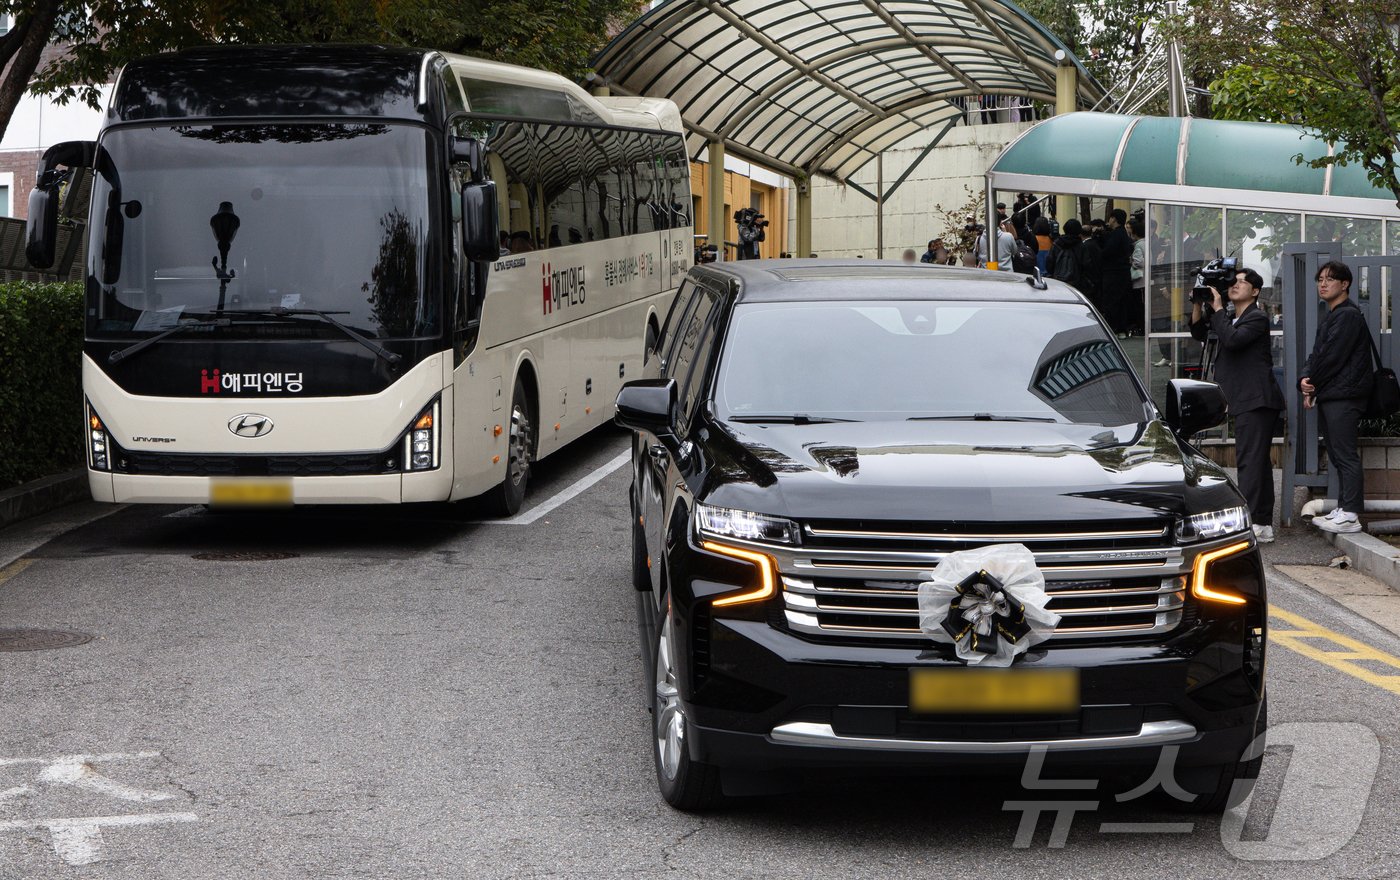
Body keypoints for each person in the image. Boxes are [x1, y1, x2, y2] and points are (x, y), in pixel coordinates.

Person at [1190, 267, 1285, 543]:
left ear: (1255, 291)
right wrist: (1199, 304)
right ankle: (1262, 523)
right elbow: (1199, 332)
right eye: (1234, 282)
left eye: (1241, 282)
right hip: (1246, 399)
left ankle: (1256, 521)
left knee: (1250, 461)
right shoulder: (1231, 317)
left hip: (1257, 399)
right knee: (1255, 462)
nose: (1234, 285)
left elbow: (1231, 341)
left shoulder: (1256, 318)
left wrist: (1218, 307)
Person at [1301, 261, 1373, 534]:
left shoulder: (1348, 316)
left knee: (1344, 454)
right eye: (1320, 279)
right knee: (1337, 453)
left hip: (1345, 396)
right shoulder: (1332, 315)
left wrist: (1312, 383)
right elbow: (1317, 355)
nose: (1323, 283)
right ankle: (1344, 509)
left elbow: (1332, 358)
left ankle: (1351, 514)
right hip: (1333, 394)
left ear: (1345, 284)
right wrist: (1305, 381)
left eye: (1330, 279)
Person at [1100, 208, 1134, 335]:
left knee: (1112, 301)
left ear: (1114, 219)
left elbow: (1107, 252)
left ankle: (1112, 328)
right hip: (1122, 273)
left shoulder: (1116, 234)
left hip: (1113, 273)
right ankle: (1121, 328)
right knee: (1121, 302)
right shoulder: (1123, 234)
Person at [1049, 218, 1085, 291]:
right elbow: (1085, 264)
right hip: (1076, 282)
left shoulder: (1057, 243)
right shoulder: (1081, 245)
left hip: (1058, 280)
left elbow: (1050, 262)